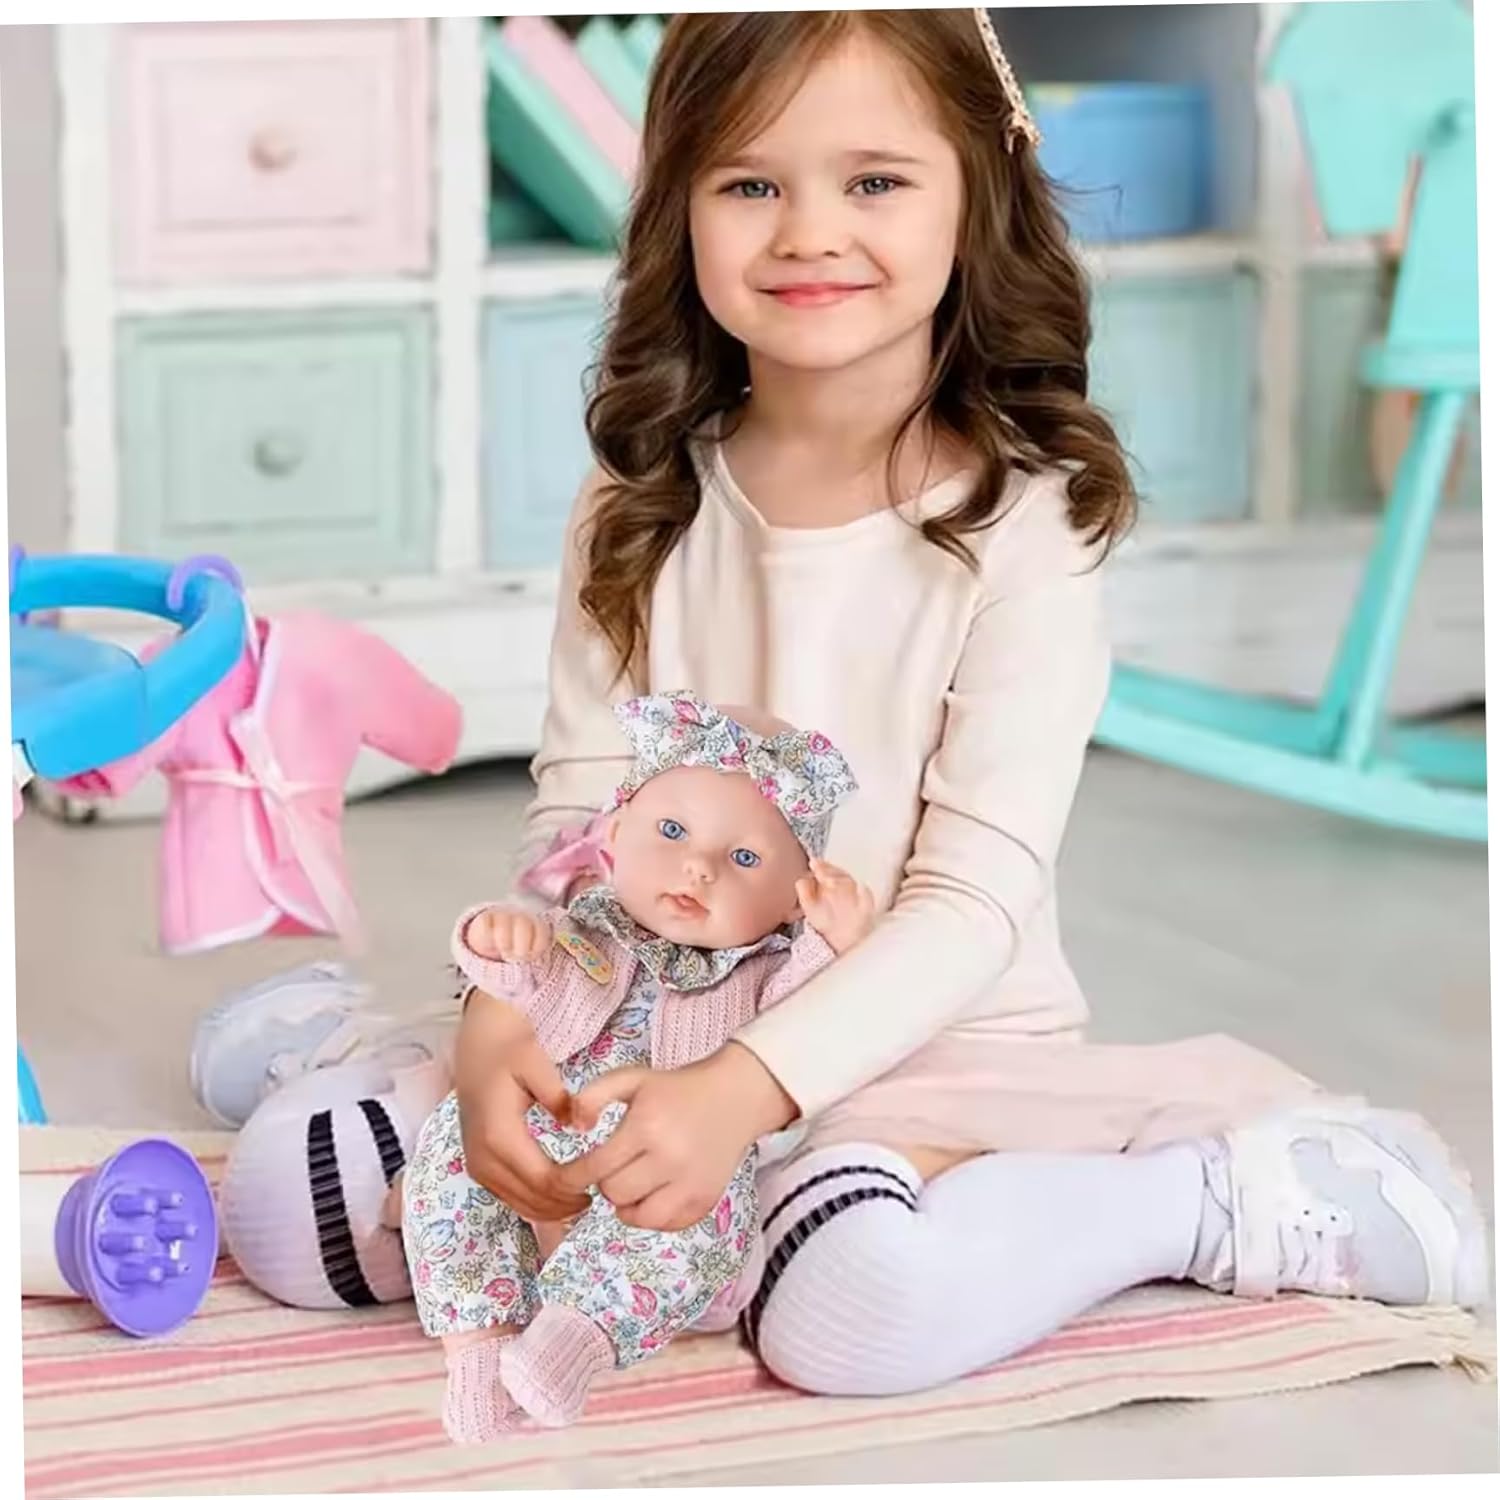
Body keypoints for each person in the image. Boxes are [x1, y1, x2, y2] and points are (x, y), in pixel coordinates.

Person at [199, 9, 1488, 1403]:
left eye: (875, 180)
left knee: (850, 1311)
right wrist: (507, 1021)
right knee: (291, 1205)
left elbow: (968, 904)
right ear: (679, 207)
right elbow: (579, 820)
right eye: (750, 183)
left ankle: (1211, 1200)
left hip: (920, 1047)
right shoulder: (639, 492)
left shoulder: (1026, 523)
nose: (810, 232)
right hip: (640, 1019)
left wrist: (742, 1093)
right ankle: (353, 1044)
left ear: (977, 192)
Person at [402, 693, 871, 1440]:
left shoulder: (763, 973)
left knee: (697, 1208)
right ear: (615, 835)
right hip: (550, 1141)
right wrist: (498, 943)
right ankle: (478, 1346)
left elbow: (810, 1026)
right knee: (450, 1145)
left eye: (744, 858)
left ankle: (570, 1340)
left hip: (661, 1170)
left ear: (793, 900)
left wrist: (832, 946)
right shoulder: (585, 928)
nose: (698, 868)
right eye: (673, 831)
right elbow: (522, 989)